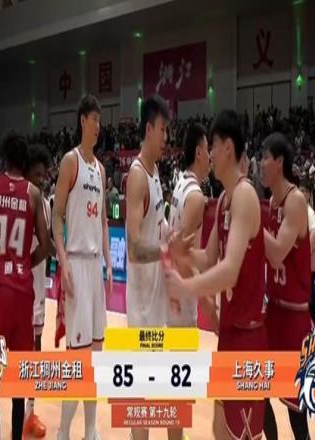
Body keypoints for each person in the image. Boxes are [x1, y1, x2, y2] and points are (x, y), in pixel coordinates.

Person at [164, 110, 267, 439]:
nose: (209, 154)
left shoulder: (245, 196)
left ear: (227, 148)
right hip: (230, 333)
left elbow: (229, 270)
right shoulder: (223, 199)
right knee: (219, 428)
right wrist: (182, 253)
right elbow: (209, 258)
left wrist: (186, 287)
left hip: (249, 336)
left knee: (241, 433)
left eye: (213, 146)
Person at [0, 132, 49, 440]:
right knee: (19, 382)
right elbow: (46, 246)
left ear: (4, 156)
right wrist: (25, 263)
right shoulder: (34, 194)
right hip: (22, 295)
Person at [53, 95, 112, 440]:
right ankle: (63, 432)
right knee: (78, 359)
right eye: (94, 119)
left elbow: (103, 220)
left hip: (94, 268)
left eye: (100, 121)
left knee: (96, 356)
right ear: (82, 121)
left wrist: (108, 263)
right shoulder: (70, 161)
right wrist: (62, 261)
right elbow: (57, 216)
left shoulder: (101, 170)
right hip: (75, 262)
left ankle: (90, 429)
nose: (99, 126)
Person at [125, 94, 175, 440]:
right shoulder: (138, 176)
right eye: (162, 130)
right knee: (141, 394)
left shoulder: (156, 172)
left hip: (157, 301)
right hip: (142, 307)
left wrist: (175, 236)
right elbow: (132, 249)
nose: (166, 137)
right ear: (148, 129)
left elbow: (158, 227)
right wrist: (167, 251)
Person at [166, 122, 218, 439]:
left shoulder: (179, 184)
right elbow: (182, 256)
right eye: (208, 149)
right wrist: (206, 300)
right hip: (179, 301)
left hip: (172, 292)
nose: (211, 156)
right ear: (199, 152)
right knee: (178, 389)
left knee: (177, 387)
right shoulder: (196, 196)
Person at [261, 133, 312, 440]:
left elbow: (278, 252)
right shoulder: (270, 202)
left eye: (265, 158)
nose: (260, 164)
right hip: (274, 313)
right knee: (258, 391)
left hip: (294, 318)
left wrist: (250, 220)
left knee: (296, 411)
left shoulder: (295, 200)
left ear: (279, 162)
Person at [23, 144, 55, 438]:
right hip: (17, 287)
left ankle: (29, 413)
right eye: (37, 174)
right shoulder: (18, 201)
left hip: (36, 290)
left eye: (45, 175)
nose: (42, 180)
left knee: (35, 347)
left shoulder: (45, 203)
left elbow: (49, 245)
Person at [300, 181, 315, 326]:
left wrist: (302, 256)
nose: (301, 193)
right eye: (299, 190)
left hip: (308, 265)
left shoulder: (309, 213)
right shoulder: (299, 212)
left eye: (304, 191)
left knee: (311, 300)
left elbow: (314, 235)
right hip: (302, 265)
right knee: (306, 300)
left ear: (309, 194)